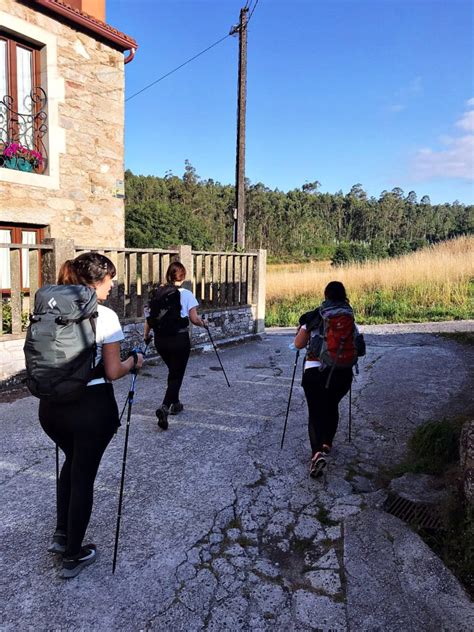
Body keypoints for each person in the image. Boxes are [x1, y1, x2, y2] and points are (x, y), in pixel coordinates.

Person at [39, 252, 143, 578]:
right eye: (109, 279)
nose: (112, 286)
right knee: (83, 476)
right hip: (90, 409)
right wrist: (134, 362)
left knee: (72, 464)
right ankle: (72, 556)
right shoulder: (106, 316)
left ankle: (61, 535)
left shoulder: (48, 308)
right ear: (96, 280)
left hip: (51, 409)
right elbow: (112, 371)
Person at [294, 281, 357, 478]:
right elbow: (359, 347)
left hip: (315, 371)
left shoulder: (315, 315)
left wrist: (302, 331)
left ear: (326, 295)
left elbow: (298, 344)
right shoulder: (349, 317)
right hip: (342, 372)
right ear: (344, 295)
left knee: (315, 412)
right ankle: (327, 443)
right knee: (331, 406)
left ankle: (316, 454)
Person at [144, 261, 206, 430]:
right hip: (179, 339)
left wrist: (146, 335)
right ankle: (165, 407)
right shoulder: (186, 294)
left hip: (160, 340)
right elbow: (194, 319)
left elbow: (149, 318)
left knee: (174, 372)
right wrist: (203, 324)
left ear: (168, 275)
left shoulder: (158, 293)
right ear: (183, 276)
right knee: (177, 375)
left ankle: (176, 403)